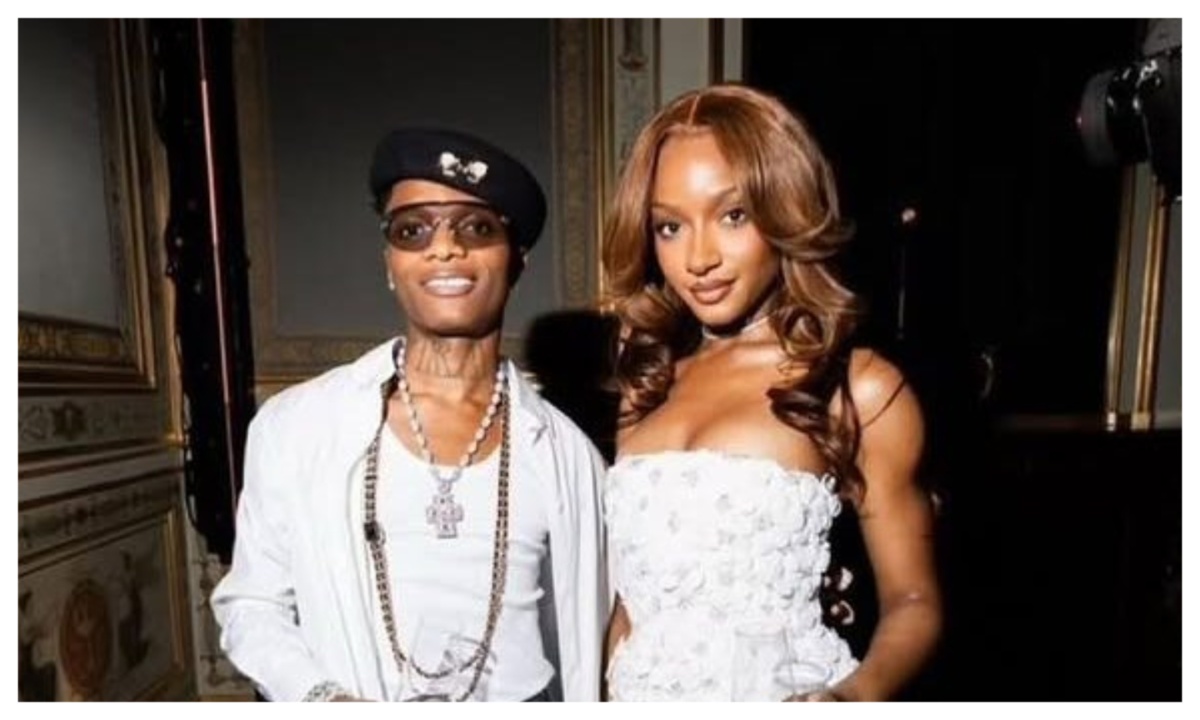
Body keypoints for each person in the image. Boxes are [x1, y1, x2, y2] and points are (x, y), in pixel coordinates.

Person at [211, 127, 608, 702]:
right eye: (412, 230)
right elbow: (251, 605)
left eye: (476, 227)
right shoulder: (295, 427)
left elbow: (590, 633)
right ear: (389, 262)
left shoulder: (569, 456)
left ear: (516, 259)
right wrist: (324, 701)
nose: (443, 249)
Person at [601, 84, 942, 701]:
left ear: (784, 208)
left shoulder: (858, 387)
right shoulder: (647, 384)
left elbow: (914, 602)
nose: (698, 257)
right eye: (670, 227)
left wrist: (849, 698)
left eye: (733, 216)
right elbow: (630, 609)